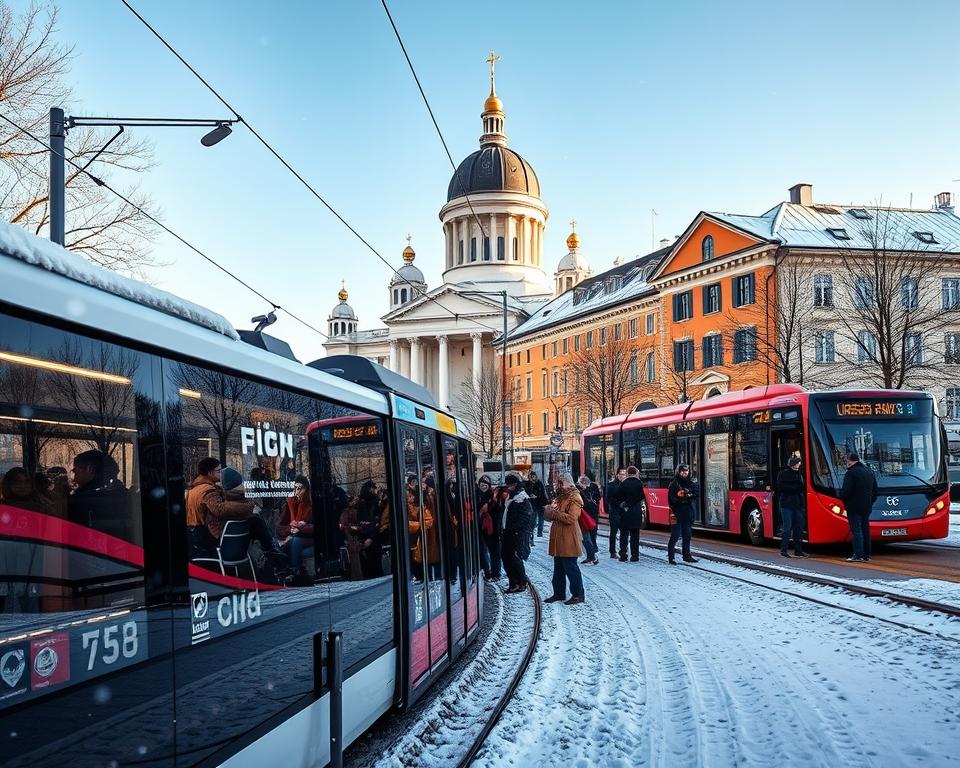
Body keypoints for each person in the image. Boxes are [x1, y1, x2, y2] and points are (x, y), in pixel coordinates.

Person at [186, 459, 284, 566]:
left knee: (254, 523)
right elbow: (219, 509)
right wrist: (247, 507)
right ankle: (273, 556)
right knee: (254, 522)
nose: (221, 473)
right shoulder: (208, 490)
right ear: (209, 473)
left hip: (195, 534)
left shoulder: (196, 488)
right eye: (218, 471)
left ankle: (270, 554)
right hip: (205, 537)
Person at [67, 449, 130, 540]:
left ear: (90, 469)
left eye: (75, 470)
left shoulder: (79, 503)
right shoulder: (126, 498)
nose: (74, 477)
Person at [544, 473, 586, 605]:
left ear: (568, 483)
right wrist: (548, 512)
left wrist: (554, 513)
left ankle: (578, 594)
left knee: (571, 568)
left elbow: (571, 519)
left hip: (568, 537)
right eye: (558, 483)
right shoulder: (561, 496)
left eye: (561, 483)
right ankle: (559, 593)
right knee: (558, 568)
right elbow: (554, 515)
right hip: (559, 537)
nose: (558, 485)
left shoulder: (575, 497)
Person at [840, 451, 878, 562]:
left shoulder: (850, 473)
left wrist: (844, 499)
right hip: (866, 507)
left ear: (851, 461)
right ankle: (867, 555)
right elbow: (875, 490)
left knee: (856, 531)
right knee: (865, 530)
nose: (847, 462)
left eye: (848, 460)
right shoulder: (869, 472)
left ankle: (858, 555)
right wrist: (870, 502)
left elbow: (846, 491)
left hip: (853, 506)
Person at [500, 474, 532, 593]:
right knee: (506, 557)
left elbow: (526, 517)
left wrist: (513, 527)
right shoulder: (511, 496)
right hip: (508, 532)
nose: (509, 487)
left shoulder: (521, 498)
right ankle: (514, 582)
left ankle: (520, 582)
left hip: (516, 533)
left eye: (511, 485)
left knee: (514, 557)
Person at [278, 475, 315, 579]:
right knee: (291, 542)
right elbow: (280, 526)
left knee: (295, 541)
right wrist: (290, 528)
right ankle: (290, 571)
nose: (297, 491)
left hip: (311, 539)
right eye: (295, 488)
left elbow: (320, 526)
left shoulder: (312, 504)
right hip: (292, 536)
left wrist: (301, 527)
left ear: (306, 489)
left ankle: (292, 571)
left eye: (300, 488)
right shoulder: (290, 503)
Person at [776, 455, 808, 558]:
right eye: (798, 462)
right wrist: (796, 488)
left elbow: (800, 487)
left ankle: (798, 550)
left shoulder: (799, 474)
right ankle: (784, 550)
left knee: (798, 528)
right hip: (787, 504)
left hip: (797, 504)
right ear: (793, 464)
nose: (799, 464)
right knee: (787, 527)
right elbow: (782, 488)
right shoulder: (784, 474)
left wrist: (795, 488)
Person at [667, 464, 699, 564]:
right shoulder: (674, 484)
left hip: (687, 512)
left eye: (686, 471)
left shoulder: (690, 483)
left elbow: (696, 493)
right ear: (678, 472)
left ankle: (687, 555)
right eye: (683, 471)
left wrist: (688, 495)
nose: (685, 473)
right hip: (677, 513)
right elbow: (673, 499)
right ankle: (671, 557)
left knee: (687, 535)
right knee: (675, 536)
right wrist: (685, 496)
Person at [614, 466, 646, 562]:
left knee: (624, 535)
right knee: (635, 536)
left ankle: (623, 555)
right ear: (636, 473)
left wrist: (625, 503)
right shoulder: (639, 483)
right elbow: (641, 496)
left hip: (626, 511)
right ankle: (635, 556)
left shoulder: (624, 483)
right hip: (636, 512)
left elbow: (618, 496)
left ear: (627, 473)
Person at [477, 475, 499, 580]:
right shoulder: (476, 495)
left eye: (485, 485)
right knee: (483, 551)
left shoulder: (493, 496)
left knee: (494, 551)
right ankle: (487, 572)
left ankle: (495, 573)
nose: (483, 487)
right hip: (480, 527)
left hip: (492, 528)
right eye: (482, 485)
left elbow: (498, 510)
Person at [576, 474, 600, 565]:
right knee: (586, 537)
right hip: (585, 516)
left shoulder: (580, 491)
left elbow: (586, 503)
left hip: (584, 516)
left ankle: (592, 556)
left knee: (585, 537)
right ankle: (592, 555)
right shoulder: (580, 490)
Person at [605, 467, 626, 559]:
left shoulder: (626, 485)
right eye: (621, 474)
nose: (623, 476)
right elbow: (609, 499)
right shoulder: (611, 485)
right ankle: (612, 552)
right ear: (617, 475)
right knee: (613, 532)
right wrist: (620, 504)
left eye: (624, 474)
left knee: (624, 533)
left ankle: (623, 551)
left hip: (624, 513)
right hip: (614, 512)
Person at [525, 470, 547, 538]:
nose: (532, 478)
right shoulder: (528, 484)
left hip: (540, 503)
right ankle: (532, 532)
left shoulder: (539, 483)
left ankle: (539, 533)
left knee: (541, 518)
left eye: (533, 476)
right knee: (533, 519)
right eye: (531, 476)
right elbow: (527, 492)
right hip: (533, 504)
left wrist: (537, 496)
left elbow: (542, 493)